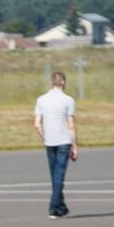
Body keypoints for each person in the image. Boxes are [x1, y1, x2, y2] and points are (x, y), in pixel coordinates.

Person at [34, 71, 77, 219]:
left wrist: (45, 137)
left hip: (50, 142)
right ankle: (53, 207)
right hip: (64, 141)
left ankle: (61, 207)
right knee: (59, 175)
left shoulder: (41, 99)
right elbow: (71, 125)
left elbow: (37, 125)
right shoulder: (68, 100)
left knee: (55, 175)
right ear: (63, 82)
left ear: (52, 82)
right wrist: (74, 146)